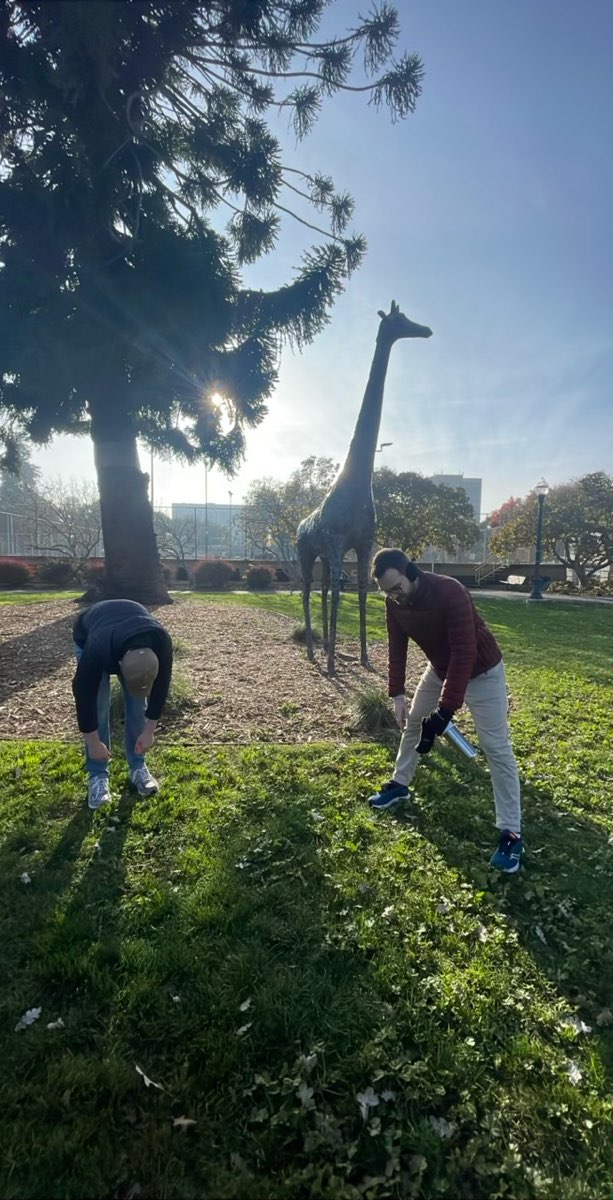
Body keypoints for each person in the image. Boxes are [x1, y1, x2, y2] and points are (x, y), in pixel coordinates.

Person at [368, 549, 522, 873]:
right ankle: (399, 785)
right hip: (438, 669)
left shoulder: (450, 591)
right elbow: (397, 647)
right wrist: (397, 694)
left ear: (411, 573)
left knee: (496, 748)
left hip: (482, 670)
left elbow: (465, 652)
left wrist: (445, 710)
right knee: (411, 724)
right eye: (388, 592)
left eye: (397, 588)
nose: (395, 597)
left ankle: (511, 832)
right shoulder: (394, 605)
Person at [72, 599, 173, 810]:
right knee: (99, 706)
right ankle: (97, 776)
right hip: (91, 632)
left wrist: (149, 731)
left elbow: (161, 687)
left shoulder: (161, 642)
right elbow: (85, 698)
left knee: (138, 704)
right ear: (118, 665)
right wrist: (94, 744)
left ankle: (138, 765)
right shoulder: (97, 647)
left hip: (126, 628)